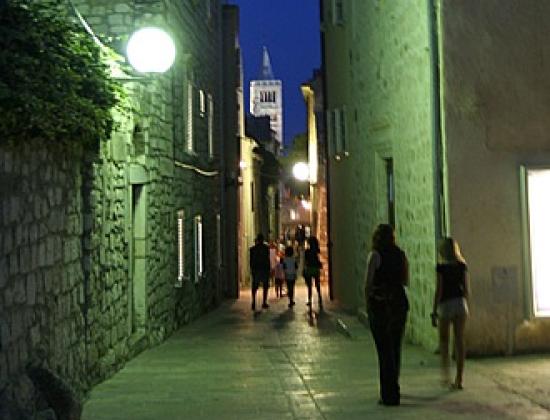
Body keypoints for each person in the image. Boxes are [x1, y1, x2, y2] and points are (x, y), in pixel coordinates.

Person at [364, 224, 409, 406]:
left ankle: (389, 394)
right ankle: (394, 386)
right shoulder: (401, 255)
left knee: (384, 350)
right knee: (395, 348)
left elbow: (368, 283)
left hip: (381, 305)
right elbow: (405, 280)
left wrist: (368, 303)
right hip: (399, 303)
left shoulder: (375, 256)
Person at [432, 237, 469, 390]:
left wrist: (434, 310)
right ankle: (459, 378)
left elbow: (439, 290)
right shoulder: (462, 266)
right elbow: (466, 288)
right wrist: (466, 303)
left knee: (444, 342)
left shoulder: (441, 268)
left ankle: (446, 375)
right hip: (460, 303)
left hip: (445, 305)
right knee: (459, 341)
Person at [249, 233, 270, 311]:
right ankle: (264, 302)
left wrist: (252, 269)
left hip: (256, 269)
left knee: (255, 286)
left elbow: (251, 261)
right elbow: (267, 259)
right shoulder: (266, 248)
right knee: (265, 286)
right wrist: (269, 269)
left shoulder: (253, 249)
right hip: (264, 269)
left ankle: (254, 301)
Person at [303, 236, 323, 310]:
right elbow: (317, 259)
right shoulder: (316, 250)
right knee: (317, 284)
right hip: (315, 268)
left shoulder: (307, 251)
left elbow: (306, 261)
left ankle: (309, 300)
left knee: (309, 286)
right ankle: (320, 298)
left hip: (309, 268)